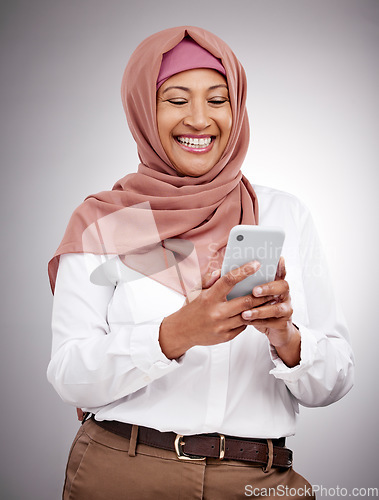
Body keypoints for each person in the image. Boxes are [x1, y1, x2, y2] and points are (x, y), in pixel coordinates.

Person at [47, 26, 354, 499]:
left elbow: (334, 380)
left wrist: (284, 336)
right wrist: (175, 334)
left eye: (217, 99)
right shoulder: (104, 222)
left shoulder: (283, 214)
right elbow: (70, 376)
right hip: (123, 474)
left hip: (259, 482)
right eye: (175, 99)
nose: (199, 119)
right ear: (143, 111)